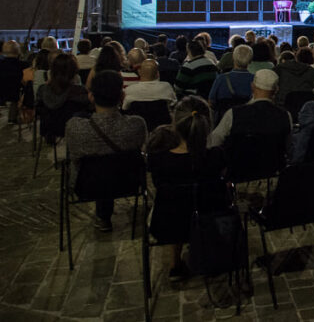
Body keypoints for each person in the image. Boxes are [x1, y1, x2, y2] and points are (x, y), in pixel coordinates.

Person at [146, 96, 226, 281]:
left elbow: (158, 186)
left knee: (175, 204)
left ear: (175, 123)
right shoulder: (215, 157)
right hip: (208, 213)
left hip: (168, 222)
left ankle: (175, 263)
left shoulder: (159, 159)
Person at [64, 71, 147, 231]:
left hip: (87, 186)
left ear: (91, 97)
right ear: (122, 96)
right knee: (109, 167)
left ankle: (103, 216)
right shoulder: (136, 125)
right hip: (128, 182)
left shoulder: (75, 126)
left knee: (100, 170)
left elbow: (75, 159)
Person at [209, 69, 291, 149]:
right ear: (276, 90)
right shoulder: (285, 116)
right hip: (274, 162)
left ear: (252, 86)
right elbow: (289, 147)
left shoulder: (233, 114)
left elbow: (215, 141)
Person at [208, 44, 255, 109]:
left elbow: (211, 101)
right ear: (250, 60)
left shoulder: (221, 79)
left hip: (224, 116)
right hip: (248, 117)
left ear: (233, 58)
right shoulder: (255, 80)